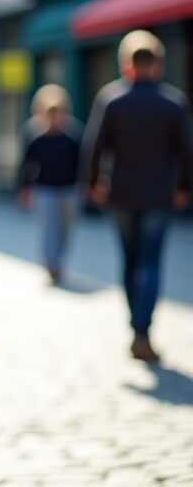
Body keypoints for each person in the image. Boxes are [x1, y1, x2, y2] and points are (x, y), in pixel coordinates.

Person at [83, 29, 193, 363]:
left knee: (130, 262)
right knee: (151, 262)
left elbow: (94, 147)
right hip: (159, 194)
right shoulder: (173, 102)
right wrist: (184, 187)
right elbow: (187, 152)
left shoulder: (112, 99)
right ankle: (143, 330)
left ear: (127, 64)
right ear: (157, 65)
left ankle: (136, 327)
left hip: (121, 193)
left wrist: (93, 184)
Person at [17, 84, 83, 284]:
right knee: (48, 228)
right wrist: (24, 187)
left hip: (69, 189)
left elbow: (82, 162)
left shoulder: (73, 134)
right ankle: (52, 264)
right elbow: (25, 164)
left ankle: (59, 259)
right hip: (44, 189)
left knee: (65, 229)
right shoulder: (34, 134)